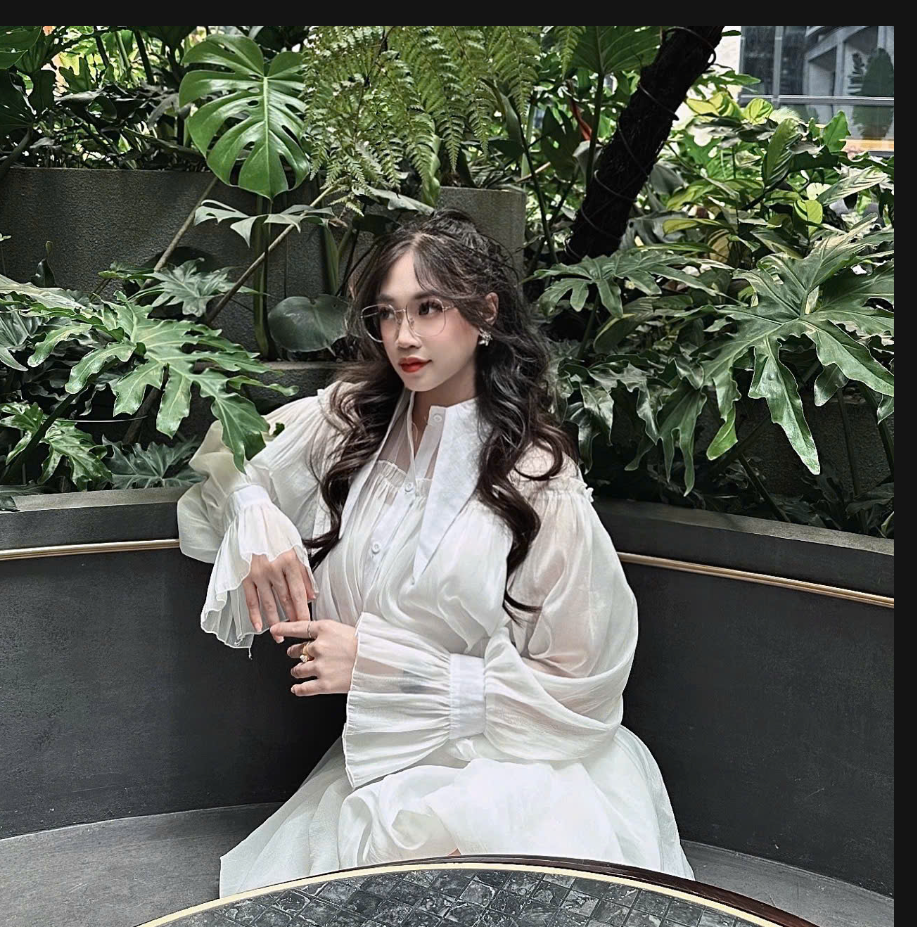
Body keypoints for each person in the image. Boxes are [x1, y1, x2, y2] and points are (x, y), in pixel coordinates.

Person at [177, 209, 694, 896]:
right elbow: (227, 452)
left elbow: (584, 683)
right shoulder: (352, 420)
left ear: (485, 313)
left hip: (523, 769)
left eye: (429, 309)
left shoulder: (537, 477)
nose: (405, 337)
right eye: (388, 314)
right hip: (385, 766)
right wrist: (256, 514)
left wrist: (380, 666)